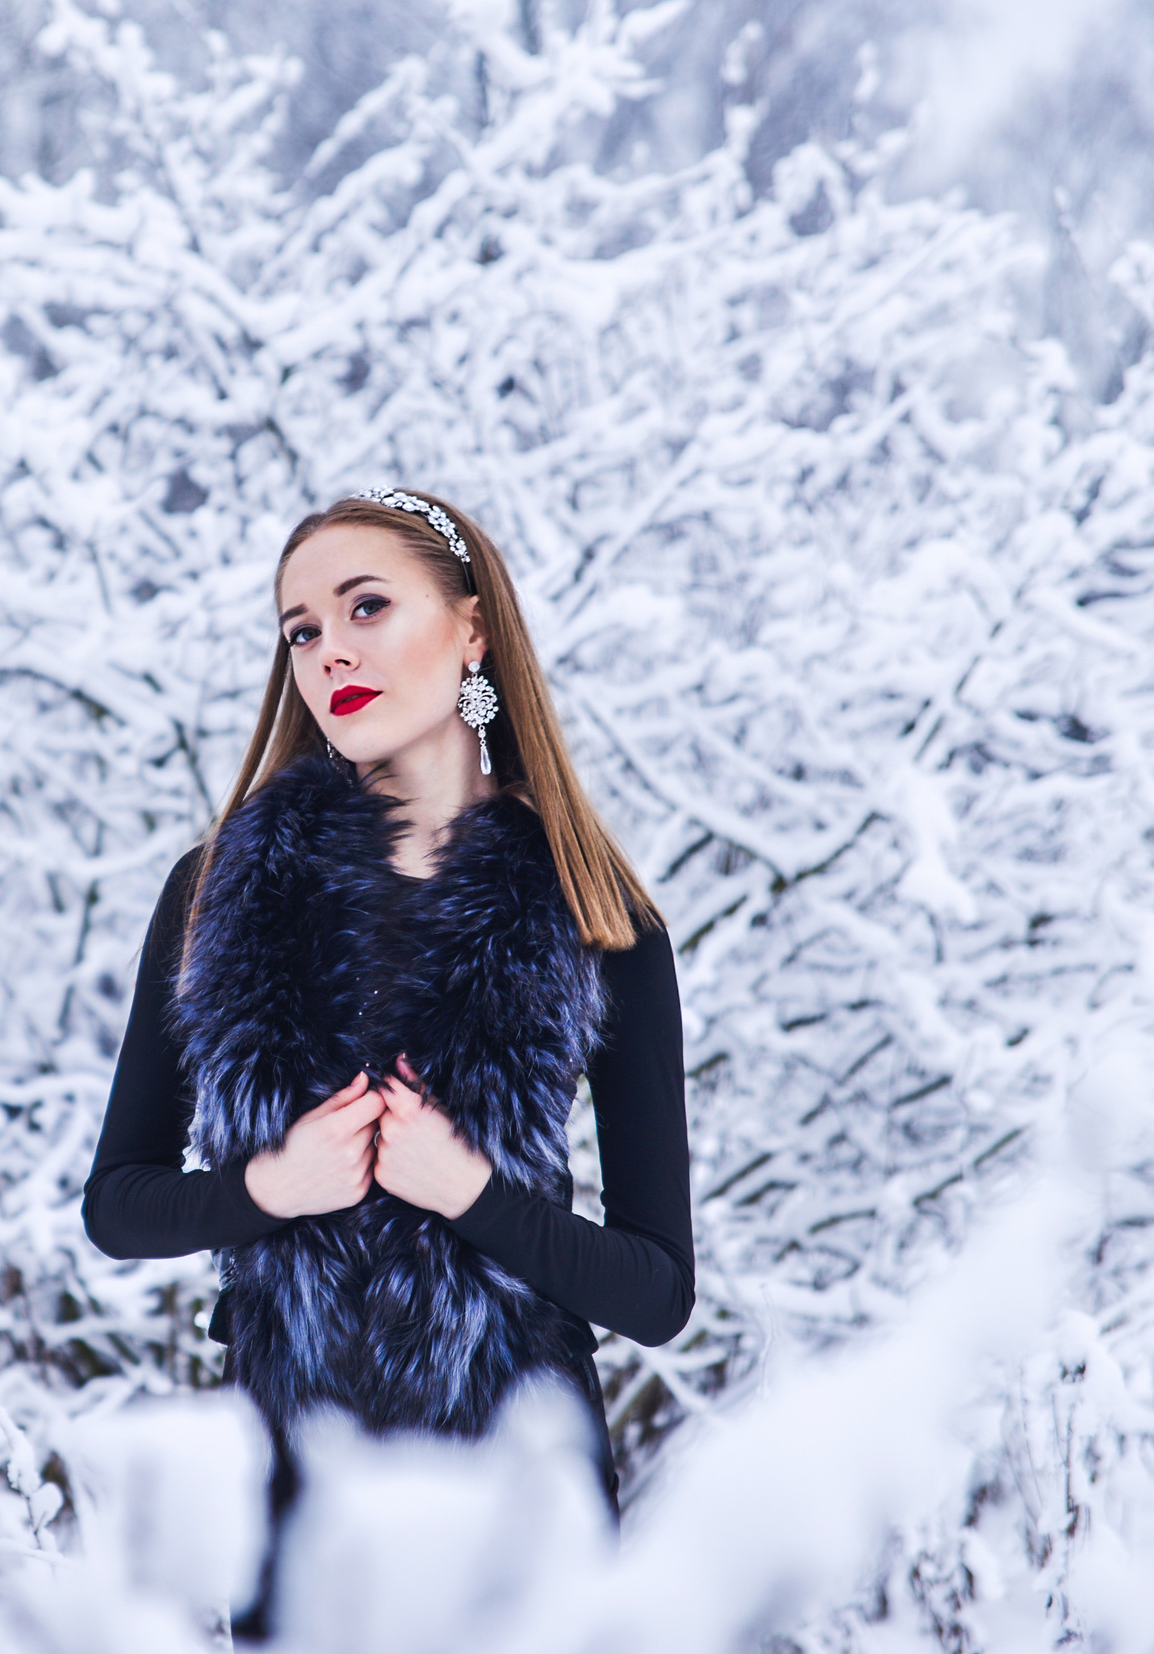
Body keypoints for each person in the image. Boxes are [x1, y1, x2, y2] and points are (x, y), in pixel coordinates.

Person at [81, 487, 694, 1634]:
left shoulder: (597, 915)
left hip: (522, 1503)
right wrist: (268, 1189)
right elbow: (117, 1204)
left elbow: (658, 1291)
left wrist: (470, 1193)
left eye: (367, 606)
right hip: (294, 1493)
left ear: (471, 629)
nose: (330, 652)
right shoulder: (218, 892)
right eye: (302, 629)